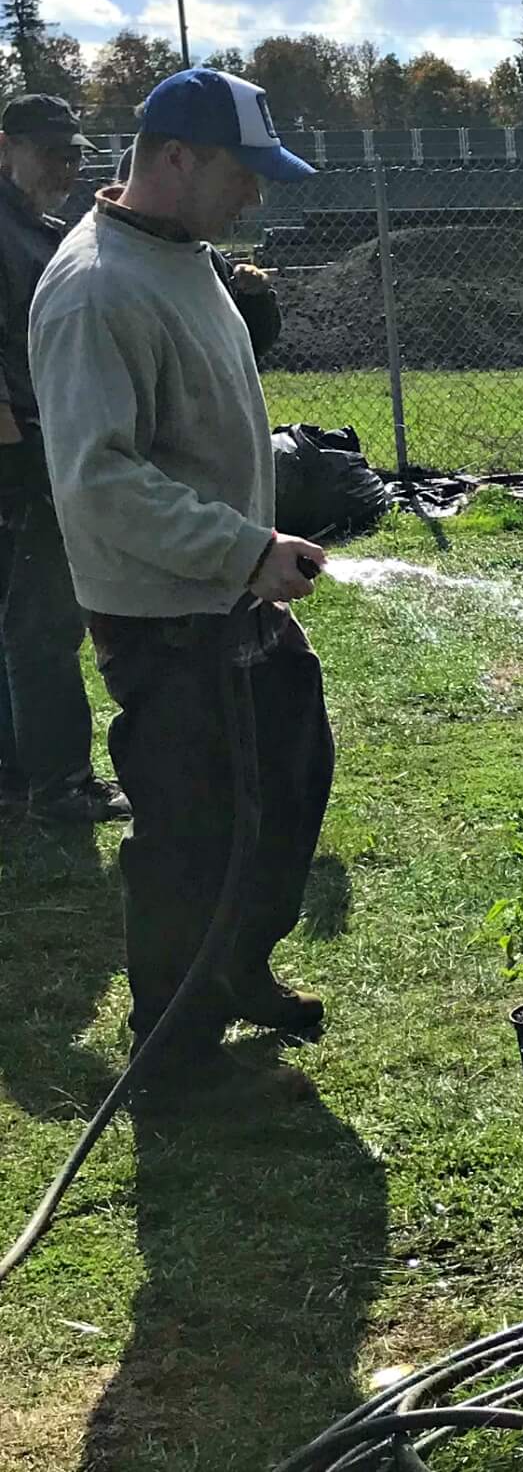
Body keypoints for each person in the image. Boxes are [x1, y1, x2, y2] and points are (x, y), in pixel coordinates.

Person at [30, 67, 331, 1096]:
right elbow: (99, 481)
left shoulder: (180, 255)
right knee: (189, 834)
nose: (257, 192)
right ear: (173, 159)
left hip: (225, 589)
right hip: (166, 616)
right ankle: (173, 1050)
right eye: (242, 172)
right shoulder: (93, 290)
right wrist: (242, 551)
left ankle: (236, 966)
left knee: (291, 778)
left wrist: (250, 546)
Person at [0, 95, 129, 823]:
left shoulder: (37, 229)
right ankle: (59, 784)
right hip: (20, 448)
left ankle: (18, 772)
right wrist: (19, 463)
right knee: (44, 624)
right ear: (4, 147)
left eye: (74, 151)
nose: (67, 165)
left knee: (17, 620)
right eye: (50, 151)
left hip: (35, 437)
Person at [115, 140, 282, 361]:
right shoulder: (113, 275)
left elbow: (250, 345)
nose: (255, 199)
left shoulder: (204, 256)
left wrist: (254, 297)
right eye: (237, 177)